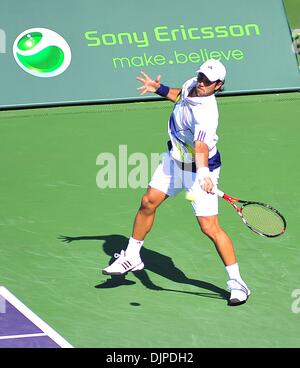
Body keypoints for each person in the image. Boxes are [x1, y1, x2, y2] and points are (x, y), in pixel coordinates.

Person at [102, 59, 250, 306]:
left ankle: (237, 283)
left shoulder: (207, 113)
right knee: (148, 202)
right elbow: (179, 95)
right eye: (201, 76)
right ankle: (132, 256)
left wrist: (203, 175)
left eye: (208, 81)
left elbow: (201, 146)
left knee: (209, 227)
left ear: (219, 85)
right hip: (173, 162)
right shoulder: (192, 84)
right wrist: (158, 89)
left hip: (201, 169)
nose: (202, 83)